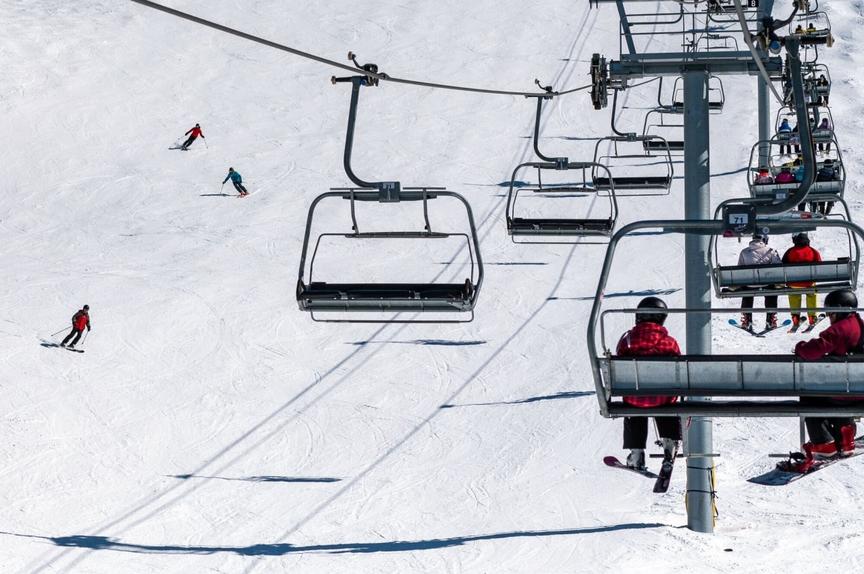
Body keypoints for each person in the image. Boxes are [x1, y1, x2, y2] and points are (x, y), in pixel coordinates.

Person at [792, 289, 864, 471]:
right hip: (859, 392)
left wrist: (800, 347)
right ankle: (845, 437)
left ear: (839, 310)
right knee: (840, 390)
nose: (830, 317)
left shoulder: (840, 329)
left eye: (831, 313)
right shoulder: (859, 325)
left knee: (810, 395)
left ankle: (824, 443)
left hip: (843, 394)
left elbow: (813, 350)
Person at [616, 297, 682, 470]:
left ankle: (636, 452)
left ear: (638, 316)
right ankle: (670, 443)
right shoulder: (669, 343)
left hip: (634, 398)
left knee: (635, 403)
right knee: (664, 400)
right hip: (663, 399)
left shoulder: (627, 341)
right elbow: (679, 370)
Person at [738, 233, 781, 331]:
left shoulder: (744, 252)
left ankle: (747, 319)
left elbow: (739, 270)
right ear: (764, 240)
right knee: (772, 290)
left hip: (749, 285)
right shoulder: (771, 251)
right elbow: (779, 267)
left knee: (746, 290)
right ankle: (770, 319)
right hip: (767, 284)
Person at [783, 233, 821, 329]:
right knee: (812, 294)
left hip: (793, 283)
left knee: (794, 295)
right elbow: (820, 265)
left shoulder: (790, 251)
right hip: (808, 283)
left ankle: (795, 318)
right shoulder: (813, 251)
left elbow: (782, 265)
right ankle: (812, 317)